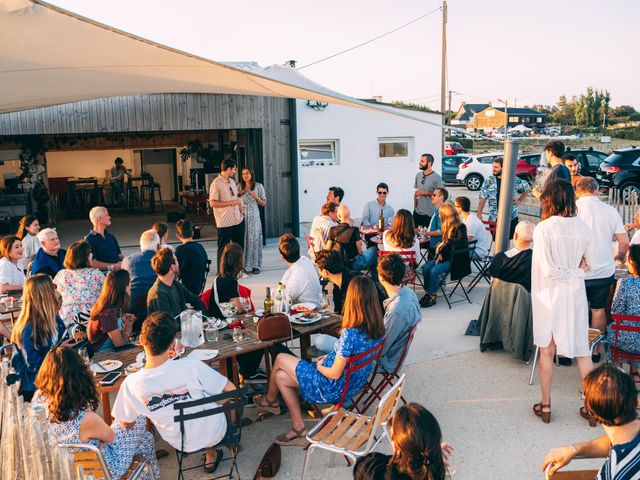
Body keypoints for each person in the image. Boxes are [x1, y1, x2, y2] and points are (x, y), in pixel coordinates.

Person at [253, 276, 385, 446]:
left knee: (279, 358)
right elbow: (344, 360)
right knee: (280, 377)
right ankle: (299, 428)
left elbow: (335, 373)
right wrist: (330, 358)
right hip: (353, 384)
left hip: (330, 385)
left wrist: (320, 366)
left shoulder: (350, 334)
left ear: (352, 300)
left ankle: (270, 400)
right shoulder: (378, 327)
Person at [112, 311, 236, 474]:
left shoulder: (131, 384)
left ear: (141, 341)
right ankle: (210, 453)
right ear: (172, 345)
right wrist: (212, 405)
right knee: (203, 396)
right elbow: (231, 390)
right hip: (215, 431)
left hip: (180, 441)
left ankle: (209, 453)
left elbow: (126, 423)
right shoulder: (191, 366)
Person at [35, 347, 160, 480]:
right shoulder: (85, 419)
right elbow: (112, 438)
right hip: (103, 470)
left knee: (145, 439)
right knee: (137, 418)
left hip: (70, 468)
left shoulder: (39, 399)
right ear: (79, 377)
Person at [531, 179, 594, 425]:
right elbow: (589, 265)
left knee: (547, 350)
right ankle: (590, 406)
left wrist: (573, 271)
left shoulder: (544, 228)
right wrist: (576, 271)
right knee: (581, 349)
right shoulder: (583, 227)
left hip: (549, 295)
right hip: (575, 294)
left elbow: (548, 270)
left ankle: (546, 405)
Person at [541, 364, 640, 479]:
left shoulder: (612, 473)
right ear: (637, 402)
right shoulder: (627, 442)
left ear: (591, 413)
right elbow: (619, 441)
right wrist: (575, 449)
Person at [576, 176, 629, 362]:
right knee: (598, 310)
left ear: (577, 191)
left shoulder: (573, 210)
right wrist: (620, 257)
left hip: (577, 272)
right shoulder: (610, 211)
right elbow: (624, 242)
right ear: (597, 190)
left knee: (575, 311)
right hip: (603, 270)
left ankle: (570, 351)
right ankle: (595, 350)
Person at [353, 403, 448, 480]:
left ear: (397, 444)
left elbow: (360, 466)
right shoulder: (434, 470)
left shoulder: (375, 471)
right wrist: (431, 452)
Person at [10, 274, 67, 401]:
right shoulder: (28, 329)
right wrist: (58, 351)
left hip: (56, 377)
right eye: (53, 291)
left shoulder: (55, 319)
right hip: (34, 388)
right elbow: (34, 366)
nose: (56, 293)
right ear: (45, 297)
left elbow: (65, 341)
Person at [377, 254, 421, 373]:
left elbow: (380, 349)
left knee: (323, 343)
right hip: (395, 352)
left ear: (381, 277)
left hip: (386, 362)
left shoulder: (395, 312)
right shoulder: (409, 292)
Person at [420, 204, 469, 308]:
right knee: (426, 267)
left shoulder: (460, 226)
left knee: (434, 271)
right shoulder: (446, 226)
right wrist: (440, 253)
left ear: (445, 215)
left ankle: (432, 296)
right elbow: (446, 246)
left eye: (440, 214)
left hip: (456, 260)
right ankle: (429, 292)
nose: (439, 216)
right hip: (446, 256)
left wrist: (445, 242)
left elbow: (461, 240)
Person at [604, 244, 640, 381]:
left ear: (632, 262)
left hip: (622, 338)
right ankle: (635, 371)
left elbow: (615, 311)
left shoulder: (625, 282)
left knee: (610, 332)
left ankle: (618, 371)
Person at [53, 240, 104, 325]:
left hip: (68, 320)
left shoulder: (62, 274)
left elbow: (55, 296)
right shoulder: (96, 274)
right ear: (86, 256)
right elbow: (107, 295)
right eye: (89, 252)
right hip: (91, 320)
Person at [477, 156, 530, 238]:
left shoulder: (514, 180)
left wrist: (520, 200)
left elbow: (527, 188)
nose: (493, 169)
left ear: (503, 168)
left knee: (507, 241)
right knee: (496, 241)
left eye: (496, 167)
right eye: (493, 166)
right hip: (494, 217)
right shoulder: (489, 181)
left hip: (511, 217)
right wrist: (479, 213)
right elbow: (483, 198)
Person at [146, 248, 206, 318]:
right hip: (174, 328)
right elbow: (167, 324)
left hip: (183, 326)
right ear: (172, 267)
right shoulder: (159, 294)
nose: (178, 263)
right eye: (177, 261)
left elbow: (196, 300)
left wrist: (205, 320)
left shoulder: (175, 284)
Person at [209, 158, 244, 271]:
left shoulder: (232, 181)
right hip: (224, 222)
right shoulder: (216, 183)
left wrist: (240, 209)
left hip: (238, 220)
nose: (234, 171)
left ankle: (238, 270)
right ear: (228, 169)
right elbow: (212, 202)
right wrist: (231, 203)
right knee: (223, 248)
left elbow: (234, 196)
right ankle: (221, 272)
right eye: (233, 169)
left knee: (239, 247)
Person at [88, 270, 136, 352]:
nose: (130, 286)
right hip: (103, 356)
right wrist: (127, 330)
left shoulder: (109, 305)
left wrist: (122, 317)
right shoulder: (107, 312)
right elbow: (120, 345)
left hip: (110, 351)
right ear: (124, 287)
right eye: (129, 283)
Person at [121, 230, 160, 324]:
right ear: (158, 246)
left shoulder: (127, 260)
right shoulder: (161, 261)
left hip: (132, 313)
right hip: (157, 312)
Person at [322, 205, 378, 271]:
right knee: (374, 249)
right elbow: (360, 252)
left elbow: (327, 249)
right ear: (349, 215)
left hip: (339, 264)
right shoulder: (354, 230)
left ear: (338, 216)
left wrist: (321, 237)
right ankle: (375, 279)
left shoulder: (332, 230)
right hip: (353, 264)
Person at [488, 221, 534, 292]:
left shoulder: (499, 258)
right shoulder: (536, 261)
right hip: (522, 302)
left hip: (497, 300)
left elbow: (492, 282)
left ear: (515, 235)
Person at [207, 242, 247, 320]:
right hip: (222, 319)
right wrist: (245, 309)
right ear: (239, 260)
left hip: (215, 313)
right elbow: (239, 310)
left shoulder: (220, 275)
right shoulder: (230, 281)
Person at [279, 234, 322, 306]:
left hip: (308, 311)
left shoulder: (296, 276)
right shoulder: (304, 259)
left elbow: (283, 298)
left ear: (282, 257)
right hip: (314, 303)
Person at [238, 167, 266, 274]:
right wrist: (238, 193)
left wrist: (257, 197)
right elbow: (234, 200)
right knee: (243, 239)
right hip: (242, 214)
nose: (245, 175)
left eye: (247, 173)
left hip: (254, 214)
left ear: (251, 174)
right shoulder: (239, 186)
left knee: (254, 239)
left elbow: (263, 203)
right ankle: (243, 265)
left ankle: (255, 265)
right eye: (243, 174)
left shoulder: (259, 186)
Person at [175, 219, 209, 295]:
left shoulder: (181, 249)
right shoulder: (200, 247)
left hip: (187, 288)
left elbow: (176, 271)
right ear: (193, 233)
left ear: (177, 235)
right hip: (199, 287)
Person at [414, 153, 444, 228]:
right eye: (420, 161)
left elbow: (441, 196)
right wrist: (415, 208)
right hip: (417, 213)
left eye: (422, 161)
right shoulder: (418, 175)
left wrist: (426, 193)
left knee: (427, 237)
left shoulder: (437, 178)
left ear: (429, 163)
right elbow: (416, 193)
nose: (419, 163)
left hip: (430, 214)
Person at [424, 187, 449, 255]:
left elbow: (440, 232)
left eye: (434, 195)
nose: (432, 196)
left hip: (437, 246)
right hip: (432, 242)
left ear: (441, 197)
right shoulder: (437, 210)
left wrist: (424, 233)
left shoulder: (442, 211)